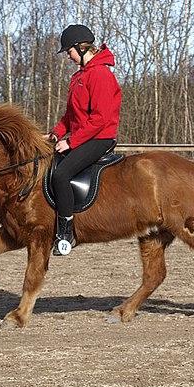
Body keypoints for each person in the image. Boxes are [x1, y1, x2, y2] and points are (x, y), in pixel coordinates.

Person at [44, 24, 122, 256]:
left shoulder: (100, 75)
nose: (68, 56)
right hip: (84, 136)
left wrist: (71, 142)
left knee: (61, 174)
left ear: (80, 47)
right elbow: (70, 115)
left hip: (100, 138)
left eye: (69, 51)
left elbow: (100, 119)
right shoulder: (80, 76)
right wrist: (56, 133)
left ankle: (67, 232)